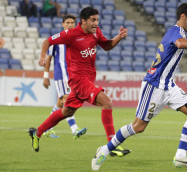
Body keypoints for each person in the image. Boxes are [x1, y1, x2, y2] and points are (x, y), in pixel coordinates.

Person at [91, 3, 187, 171]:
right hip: (154, 85)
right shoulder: (175, 32)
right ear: (182, 17)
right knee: (138, 127)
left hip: (169, 86)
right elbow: (180, 44)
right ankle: (104, 150)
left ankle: (180, 157)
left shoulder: (180, 32)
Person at [28, 7, 130, 157]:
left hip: (88, 79)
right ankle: (111, 145)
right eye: (93, 20)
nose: (96, 23)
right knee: (107, 103)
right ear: (83, 21)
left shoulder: (96, 32)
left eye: (97, 20)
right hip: (78, 81)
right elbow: (47, 41)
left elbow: (107, 46)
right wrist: (43, 56)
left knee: (66, 112)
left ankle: (37, 132)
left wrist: (118, 37)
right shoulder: (71, 35)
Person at [42, 14, 87, 139]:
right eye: (67, 22)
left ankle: (47, 128)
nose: (70, 24)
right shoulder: (56, 40)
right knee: (67, 101)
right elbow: (48, 59)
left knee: (60, 103)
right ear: (63, 24)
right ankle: (75, 129)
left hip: (73, 76)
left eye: (72, 22)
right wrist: (46, 76)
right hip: (61, 76)